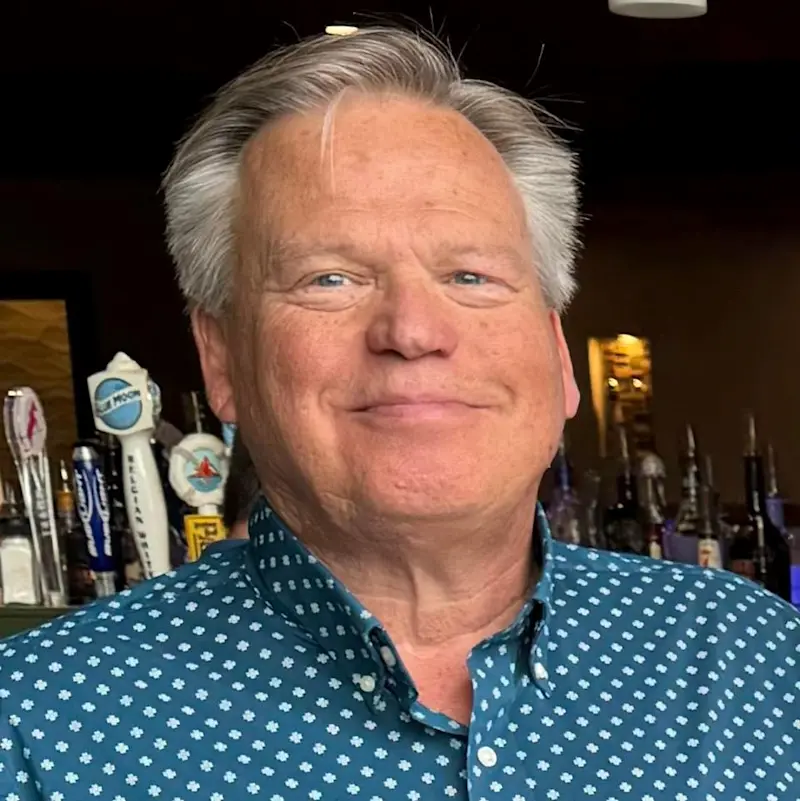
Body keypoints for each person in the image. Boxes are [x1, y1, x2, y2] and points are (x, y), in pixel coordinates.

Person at [1, 26, 798, 801]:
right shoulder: (37, 725)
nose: (413, 331)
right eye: (329, 279)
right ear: (222, 357)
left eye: (471, 276)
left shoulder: (756, 661)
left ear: (558, 354)